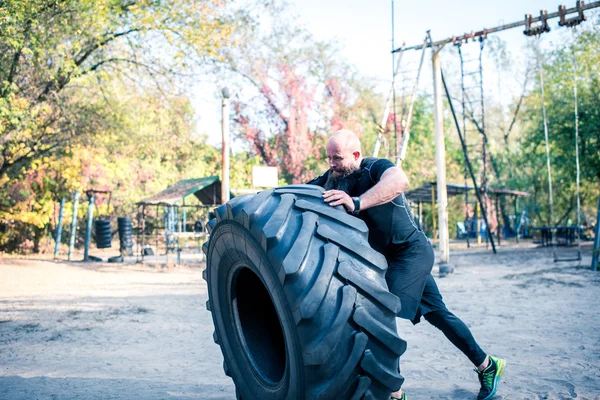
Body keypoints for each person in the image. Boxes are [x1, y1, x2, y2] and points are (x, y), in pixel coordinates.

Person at [307, 129, 506, 400]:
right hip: (386, 262)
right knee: (438, 314)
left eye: (338, 158)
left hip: (412, 253)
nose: (331, 164)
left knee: (379, 313)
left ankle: (394, 394)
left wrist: (356, 203)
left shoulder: (374, 168)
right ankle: (488, 365)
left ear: (355, 155)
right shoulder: (333, 179)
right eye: (328, 157)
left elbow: (399, 180)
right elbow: (299, 193)